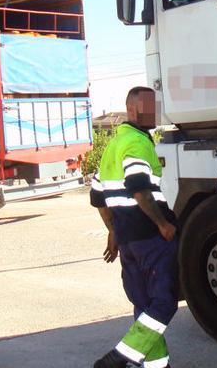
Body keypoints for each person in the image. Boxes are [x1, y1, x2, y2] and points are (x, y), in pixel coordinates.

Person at [90, 86, 178, 368]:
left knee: (144, 303)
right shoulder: (138, 143)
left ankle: (157, 364)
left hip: (127, 239)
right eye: (149, 106)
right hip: (149, 236)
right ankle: (120, 357)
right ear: (134, 109)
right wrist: (162, 223)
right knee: (164, 302)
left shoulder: (111, 147)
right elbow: (139, 187)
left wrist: (113, 230)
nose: (155, 111)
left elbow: (97, 196)